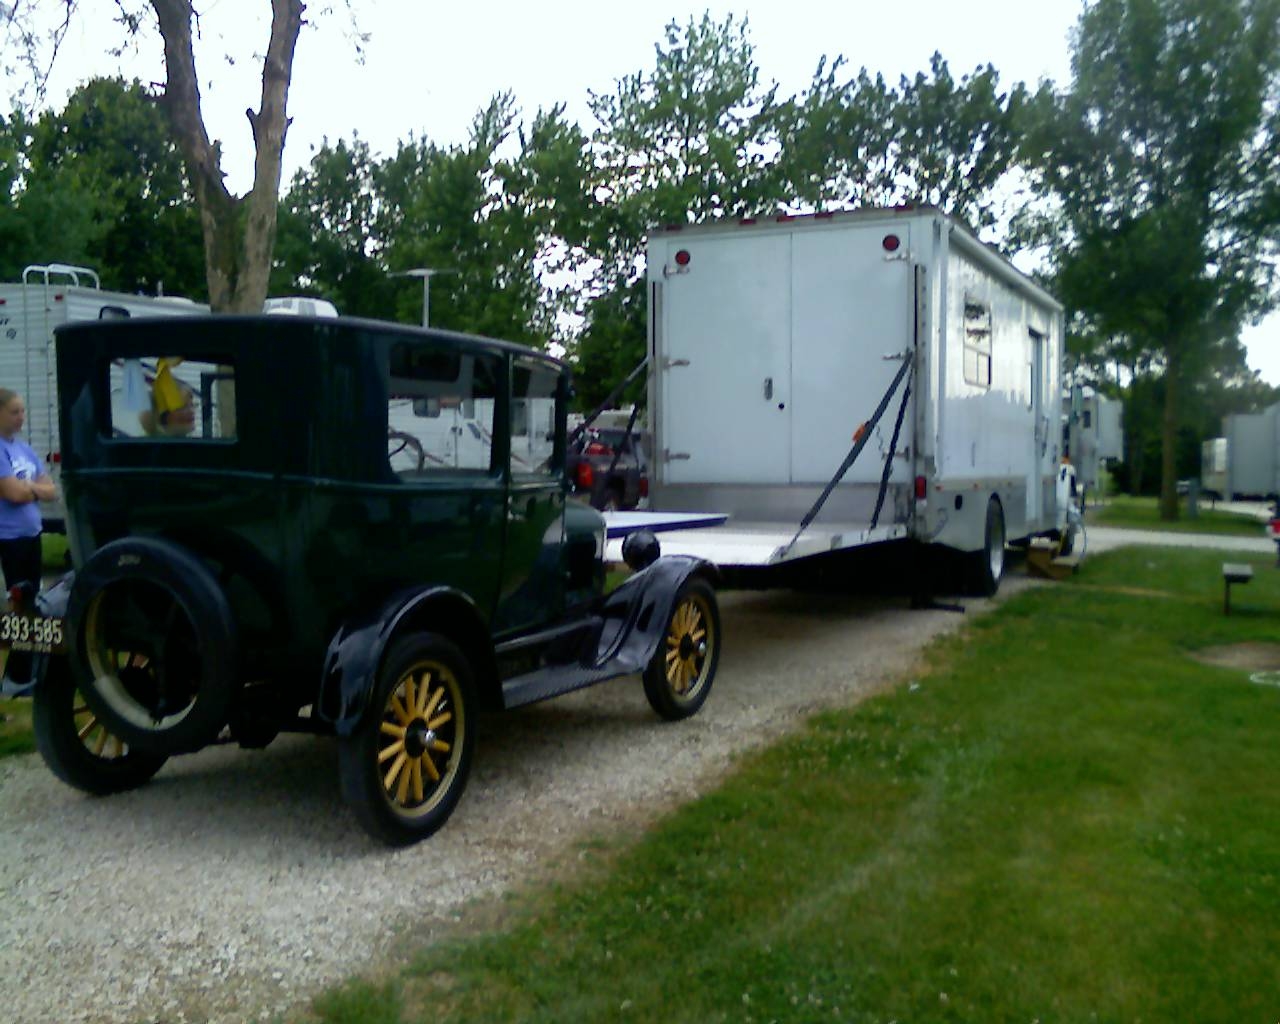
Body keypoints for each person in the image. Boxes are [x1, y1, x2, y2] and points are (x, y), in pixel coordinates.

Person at [0, 389, 57, 697]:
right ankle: (15, 676)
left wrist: (30, 487)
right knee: (20, 603)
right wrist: (33, 488)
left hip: (32, 535)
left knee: (34, 602)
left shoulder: (23, 450)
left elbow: (52, 489)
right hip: (9, 538)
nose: (21, 417)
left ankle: (28, 670)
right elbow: (13, 493)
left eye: (22, 411)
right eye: (14, 412)